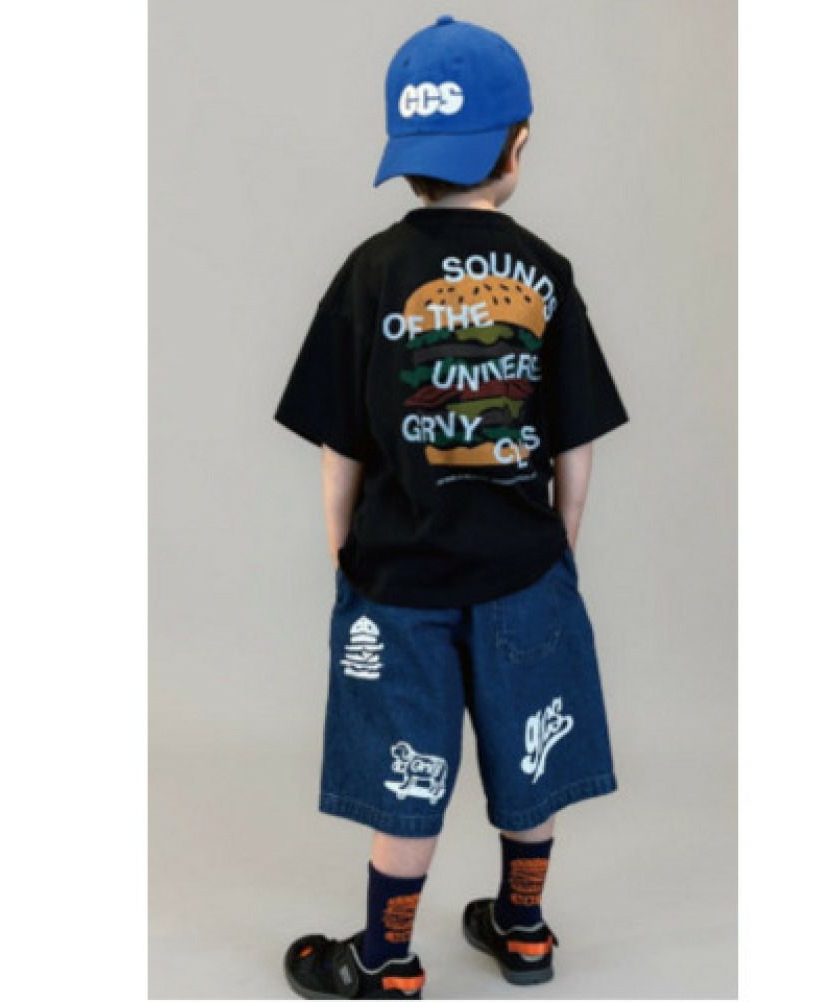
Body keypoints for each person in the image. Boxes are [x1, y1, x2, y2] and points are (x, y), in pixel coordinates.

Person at [273, 15, 629, 1000]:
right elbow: (576, 440)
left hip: (400, 581)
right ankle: (524, 932)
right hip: (525, 572)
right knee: (532, 751)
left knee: (409, 771)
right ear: (518, 147)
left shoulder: (368, 272)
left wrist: (345, 550)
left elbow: (341, 443)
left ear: (407, 154)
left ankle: (387, 961)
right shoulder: (547, 275)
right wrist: (558, 545)